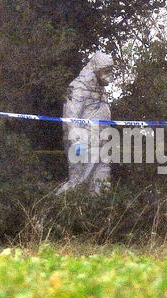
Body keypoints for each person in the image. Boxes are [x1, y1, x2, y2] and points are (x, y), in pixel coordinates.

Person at [55, 51, 114, 195]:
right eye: (106, 71)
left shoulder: (101, 89)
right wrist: (77, 143)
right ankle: (55, 207)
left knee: (102, 184)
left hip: (102, 143)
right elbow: (70, 117)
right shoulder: (78, 88)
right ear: (96, 70)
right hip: (84, 144)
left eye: (110, 71)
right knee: (79, 183)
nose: (109, 75)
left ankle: (98, 215)